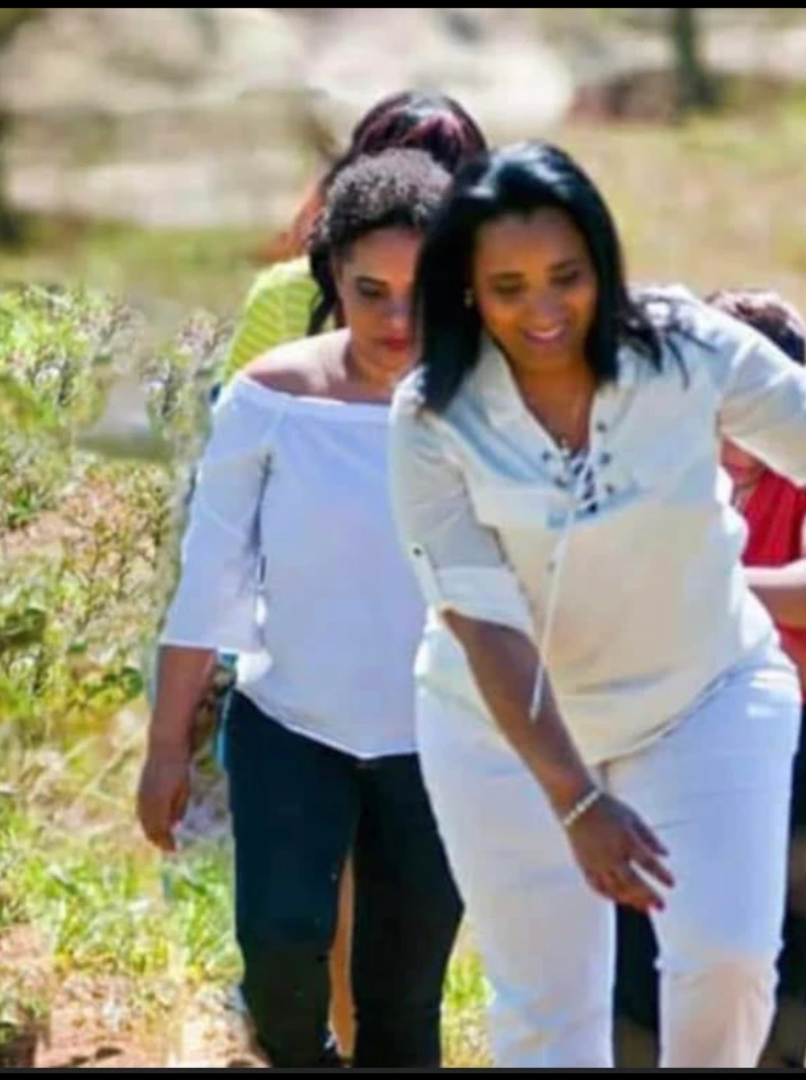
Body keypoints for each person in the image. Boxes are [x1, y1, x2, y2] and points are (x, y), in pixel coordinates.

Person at [387, 140, 806, 1068]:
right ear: (468, 289)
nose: (544, 310)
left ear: (603, 262)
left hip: (703, 695)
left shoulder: (686, 348)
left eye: (567, 277)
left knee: (729, 958)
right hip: (503, 725)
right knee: (550, 1009)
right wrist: (577, 798)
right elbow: (484, 628)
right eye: (509, 287)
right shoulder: (433, 415)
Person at [137, 149, 462, 1069]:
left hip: (440, 744)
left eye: (421, 294)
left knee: (404, 1002)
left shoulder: (497, 409)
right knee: (280, 954)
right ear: (331, 280)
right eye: (370, 292)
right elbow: (211, 577)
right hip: (290, 727)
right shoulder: (271, 400)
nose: (396, 321)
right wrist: (166, 745)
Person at [204, 89, 488, 1056]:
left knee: (397, 951)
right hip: (305, 663)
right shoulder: (283, 305)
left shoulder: (492, 325)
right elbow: (232, 484)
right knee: (305, 915)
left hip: (436, 687)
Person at [612, 289, 806, 1069]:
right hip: (668, 732)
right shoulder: (649, 464)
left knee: (779, 987)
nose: (740, 431)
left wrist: (689, 584)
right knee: (638, 976)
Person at [221, 90, 488, 380]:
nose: (398, 321)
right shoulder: (285, 299)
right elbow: (236, 403)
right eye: (371, 291)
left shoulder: (497, 310)